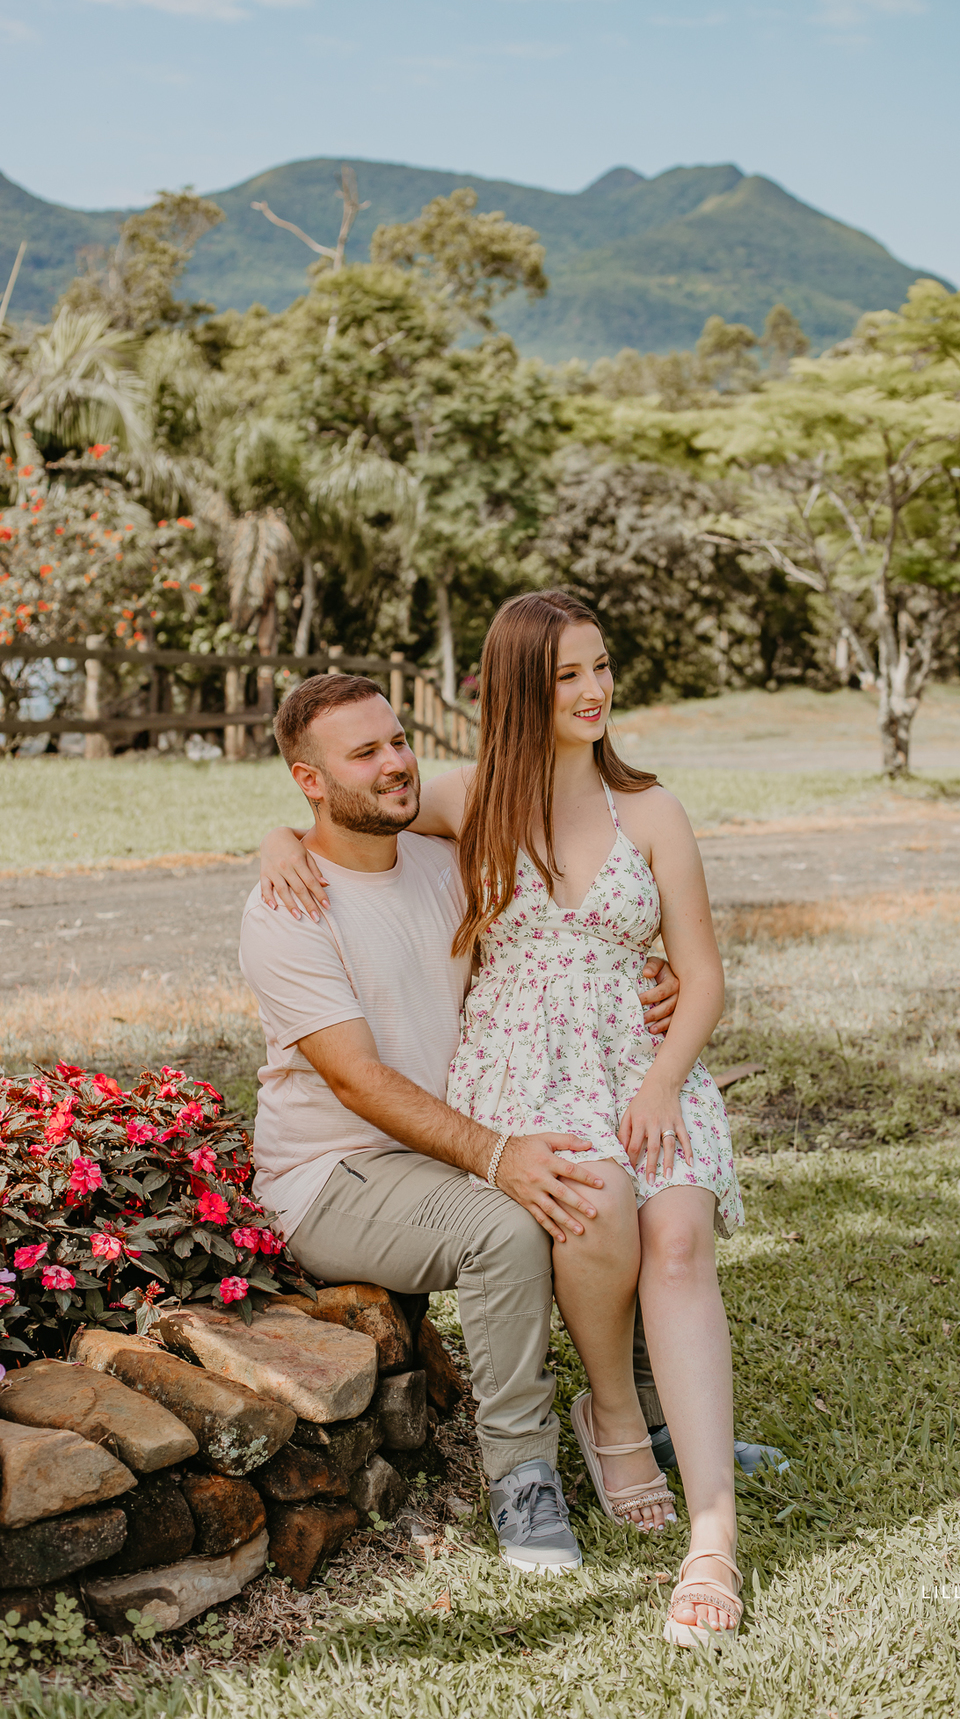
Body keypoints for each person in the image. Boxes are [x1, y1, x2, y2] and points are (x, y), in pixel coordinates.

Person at [261, 592, 746, 1646]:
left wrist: (662, 1073)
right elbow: (336, 810)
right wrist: (273, 841)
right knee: (592, 1200)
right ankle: (609, 1423)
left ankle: (713, 1529)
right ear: (519, 687)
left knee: (681, 1232)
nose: (594, 690)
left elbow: (703, 971)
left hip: (635, 1064)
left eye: (603, 668)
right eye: (567, 674)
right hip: (519, 1076)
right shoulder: (469, 799)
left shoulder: (649, 810)